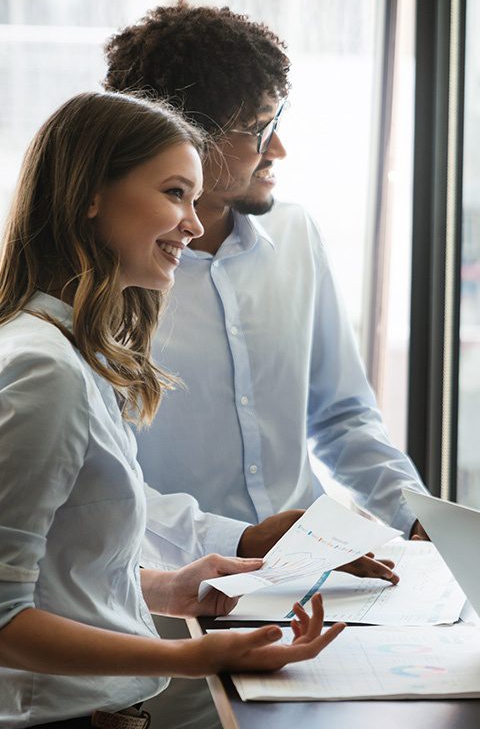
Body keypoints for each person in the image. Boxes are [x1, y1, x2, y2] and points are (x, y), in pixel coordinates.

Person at [102, 0, 428, 728]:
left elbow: (341, 415)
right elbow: (107, 488)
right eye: (260, 128)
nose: (276, 150)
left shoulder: (300, 236)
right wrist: (242, 542)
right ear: (182, 138)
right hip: (162, 623)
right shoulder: (105, 281)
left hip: (313, 597)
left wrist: (418, 520)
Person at [0, 91, 342, 729]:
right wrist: (191, 658)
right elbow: (2, 617)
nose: (193, 222)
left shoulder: (69, 353)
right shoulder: (43, 369)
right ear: (91, 197)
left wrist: (168, 588)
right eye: (175, 193)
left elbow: (56, 564)